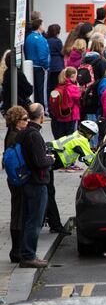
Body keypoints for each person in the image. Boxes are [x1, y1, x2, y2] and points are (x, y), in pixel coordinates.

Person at [16, 103, 54, 268]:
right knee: (34, 221)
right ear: (42, 116)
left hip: (28, 181)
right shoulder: (34, 135)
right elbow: (39, 161)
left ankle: (27, 253)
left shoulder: (25, 132)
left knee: (29, 219)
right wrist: (51, 159)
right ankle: (28, 255)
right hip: (36, 182)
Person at [4, 105, 29, 262]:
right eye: (25, 119)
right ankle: (17, 251)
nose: (27, 122)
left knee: (17, 212)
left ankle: (17, 250)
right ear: (17, 121)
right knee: (19, 213)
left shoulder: (11, 134)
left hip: (13, 178)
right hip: (19, 179)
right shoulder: (16, 137)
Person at [49, 67, 81, 138]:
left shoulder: (59, 86)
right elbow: (79, 101)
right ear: (72, 76)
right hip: (71, 116)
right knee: (71, 138)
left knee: (62, 137)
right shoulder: (73, 87)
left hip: (60, 116)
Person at [24, 19, 49, 107]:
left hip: (31, 67)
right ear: (39, 26)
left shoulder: (29, 37)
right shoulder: (40, 39)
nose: (44, 26)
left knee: (34, 89)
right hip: (40, 67)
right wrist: (46, 66)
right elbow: (43, 55)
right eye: (43, 24)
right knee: (42, 90)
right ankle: (43, 107)